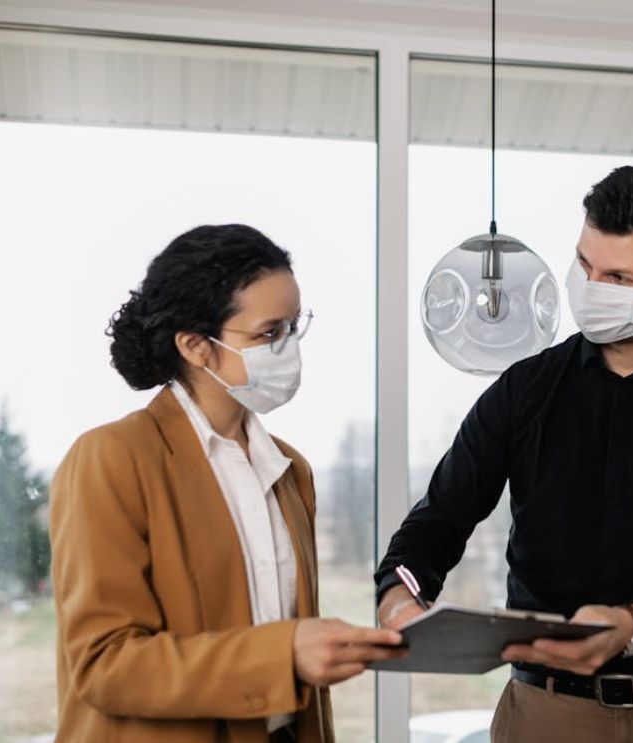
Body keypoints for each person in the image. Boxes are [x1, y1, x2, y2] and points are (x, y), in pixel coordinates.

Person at [376, 166, 633, 743]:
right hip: (546, 713)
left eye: (616, 277)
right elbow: (438, 520)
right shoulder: (523, 389)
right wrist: (399, 596)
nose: (590, 287)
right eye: (585, 265)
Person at [49, 224, 403, 743]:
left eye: (293, 327)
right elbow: (105, 663)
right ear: (196, 346)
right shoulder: (111, 458)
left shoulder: (289, 469)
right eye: (268, 333)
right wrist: (284, 654)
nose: (287, 348)